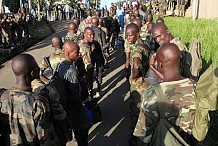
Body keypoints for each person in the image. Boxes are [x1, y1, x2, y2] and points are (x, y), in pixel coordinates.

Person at [134, 43, 197, 145]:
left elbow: (144, 135)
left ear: (160, 64)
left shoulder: (153, 94)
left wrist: (152, 66)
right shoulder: (195, 87)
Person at [0, 54, 60, 145]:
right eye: (37, 67)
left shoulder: (3, 96)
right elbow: (46, 139)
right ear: (33, 73)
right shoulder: (37, 103)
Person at [54, 41, 89, 146]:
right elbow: (75, 96)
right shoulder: (72, 71)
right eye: (77, 52)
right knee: (82, 134)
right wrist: (81, 110)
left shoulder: (59, 65)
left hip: (65, 106)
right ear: (69, 54)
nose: (80, 54)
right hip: (73, 108)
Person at [125, 23, 149, 146]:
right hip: (145, 82)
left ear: (137, 34)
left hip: (138, 85)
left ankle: (135, 140)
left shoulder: (136, 48)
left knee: (135, 112)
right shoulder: (144, 44)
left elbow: (136, 65)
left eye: (130, 35)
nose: (128, 38)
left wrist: (134, 77)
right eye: (126, 36)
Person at [79, 27, 105, 98]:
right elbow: (86, 63)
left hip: (93, 66)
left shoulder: (95, 43)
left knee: (96, 76)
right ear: (85, 35)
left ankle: (96, 91)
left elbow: (100, 55)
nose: (92, 36)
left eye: (93, 34)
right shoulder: (82, 47)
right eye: (90, 35)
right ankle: (89, 96)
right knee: (88, 82)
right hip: (86, 69)